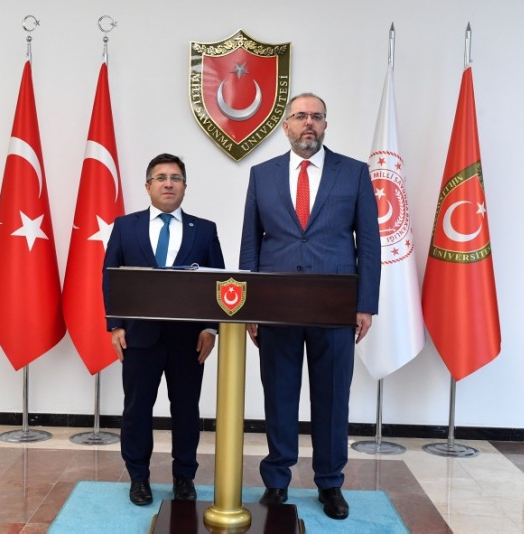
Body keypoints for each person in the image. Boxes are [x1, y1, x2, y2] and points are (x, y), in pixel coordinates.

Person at [239, 93, 381, 520]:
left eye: (316, 117)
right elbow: (250, 242)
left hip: (334, 306)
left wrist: (365, 304)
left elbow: (369, 244)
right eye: (300, 116)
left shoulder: (353, 173)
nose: (309, 123)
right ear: (285, 126)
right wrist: (250, 306)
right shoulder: (262, 174)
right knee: (279, 393)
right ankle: (277, 480)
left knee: (332, 397)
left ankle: (330, 483)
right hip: (276, 305)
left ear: (325, 125)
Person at [103, 153, 225, 506]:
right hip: (139, 337)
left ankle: (184, 477)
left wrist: (211, 328)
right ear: (148, 186)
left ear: (185, 186)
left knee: (186, 410)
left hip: (189, 340)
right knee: (137, 409)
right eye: (160, 178)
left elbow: (218, 282)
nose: (168, 184)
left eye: (175, 178)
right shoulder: (125, 227)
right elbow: (111, 278)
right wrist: (115, 325)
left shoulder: (205, 230)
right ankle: (138, 478)